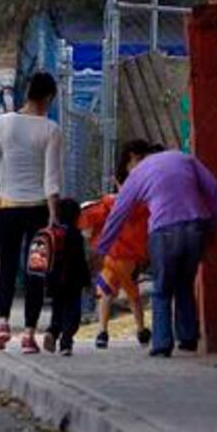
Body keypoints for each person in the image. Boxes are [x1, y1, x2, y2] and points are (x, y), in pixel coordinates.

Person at [96, 147, 217, 357]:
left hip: (163, 231)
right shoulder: (185, 158)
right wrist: (211, 223)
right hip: (195, 227)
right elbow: (214, 188)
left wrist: (102, 248)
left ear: (137, 160)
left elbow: (119, 212)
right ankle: (188, 337)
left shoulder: (139, 172)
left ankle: (162, 343)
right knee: (184, 283)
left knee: (162, 288)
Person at [0, 71, 63, 354]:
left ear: (27, 93)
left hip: (7, 208)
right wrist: (53, 216)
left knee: (6, 265)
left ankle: (2, 323)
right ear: (49, 97)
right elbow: (51, 180)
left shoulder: (2, 123)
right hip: (38, 209)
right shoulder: (50, 130)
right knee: (36, 269)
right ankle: (29, 334)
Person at [79, 140, 152, 349]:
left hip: (112, 253)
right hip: (128, 255)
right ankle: (140, 329)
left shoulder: (111, 203)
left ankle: (102, 332)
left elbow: (92, 217)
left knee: (107, 292)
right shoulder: (142, 203)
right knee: (131, 292)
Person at [41, 199, 92, 356]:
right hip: (73, 280)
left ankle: (52, 331)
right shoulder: (76, 235)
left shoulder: (54, 234)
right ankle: (66, 342)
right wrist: (87, 280)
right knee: (73, 313)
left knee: (57, 309)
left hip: (55, 280)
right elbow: (80, 260)